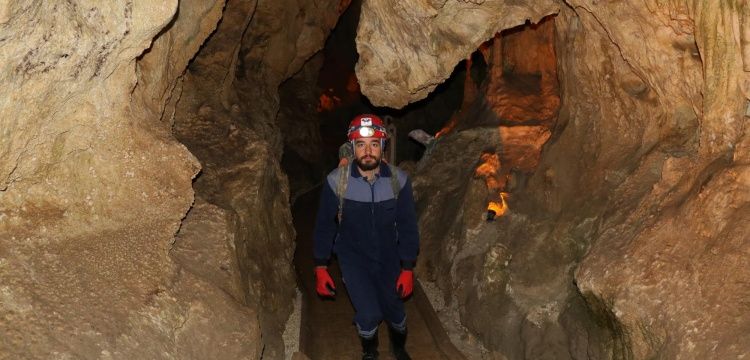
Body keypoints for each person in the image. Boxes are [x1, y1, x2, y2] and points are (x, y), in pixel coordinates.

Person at [313, 114, 419, 360]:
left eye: (374, 144)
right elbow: (324, 226)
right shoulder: (336, 182)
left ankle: (398, 346)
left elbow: (407, 225)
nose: (368, 151)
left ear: (383, 147)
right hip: (353, 259)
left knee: (394, 310)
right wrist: (320, 265)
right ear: (353, 148)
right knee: (368, 313)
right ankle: (370, 352)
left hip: (389, 257)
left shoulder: (398, 181)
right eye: (361, 145)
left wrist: (407, 267)